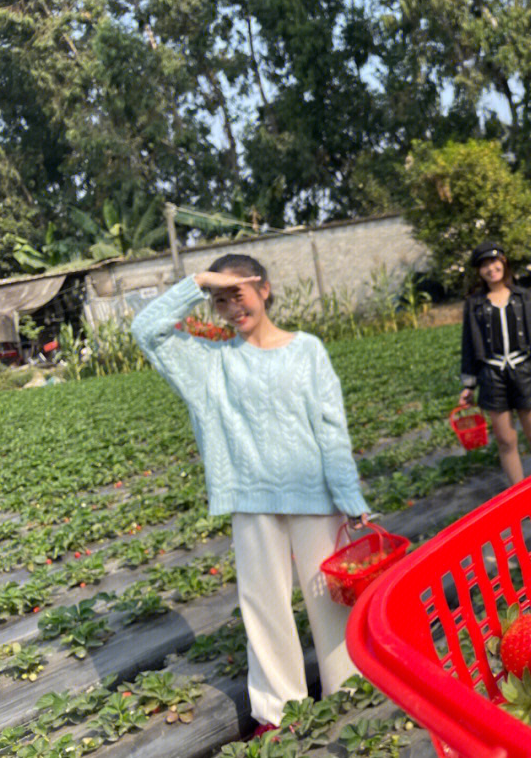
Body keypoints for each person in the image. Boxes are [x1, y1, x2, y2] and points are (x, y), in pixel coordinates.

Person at [131, 253, 372, 738]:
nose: (229, 308)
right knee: (263, 606)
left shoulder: (307, 350)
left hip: (314, 495)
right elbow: (146, 329)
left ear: (263, 289)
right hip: (250, 500)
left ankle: (351, 692)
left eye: (236, 294)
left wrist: (351, 499)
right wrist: (198, 281)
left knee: (330, 599)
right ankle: (279, 710)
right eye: (219, 301)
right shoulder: (208, 364)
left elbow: (331, 429)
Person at [459, 241, 531, 485]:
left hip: (522, 371)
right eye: (484, 265)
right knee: (506, 440)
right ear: (479, 272)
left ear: (503, 263)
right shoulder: (474, 304)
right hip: (492, 376)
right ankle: (520, 496)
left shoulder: (522, 297)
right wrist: (468, 385)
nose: (491, 268)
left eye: (494, 262)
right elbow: (469, 345)